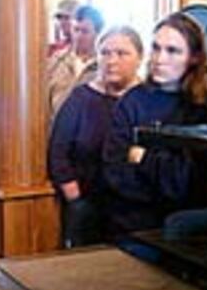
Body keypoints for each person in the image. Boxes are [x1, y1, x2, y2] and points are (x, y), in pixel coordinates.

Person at [102, 12, 207, 239]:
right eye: (156, 48)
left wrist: (143, 158)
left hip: (188, 229)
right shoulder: (131, 102)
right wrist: (166, 169)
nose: (160, 58)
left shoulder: (205, 109)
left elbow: (190, 184)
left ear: (193, 57)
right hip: (132, 226)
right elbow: (115, 174)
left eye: (172, 51)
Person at [48, 26, 143, 248]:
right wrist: (75, 199)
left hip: (134, 206)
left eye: (121, 53)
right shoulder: (81, 98)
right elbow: (58, 150)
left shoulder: (146, 100)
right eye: (105, 53)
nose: (111, 60)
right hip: (88, 203)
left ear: (139, 58)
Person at [46, 5, 105, 120]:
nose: (78, 36)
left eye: (85, 31)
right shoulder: (56, 61)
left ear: (98, 33)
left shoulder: (104, 66)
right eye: (76, 30)